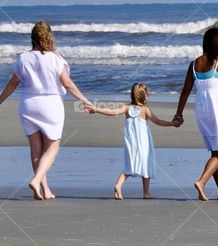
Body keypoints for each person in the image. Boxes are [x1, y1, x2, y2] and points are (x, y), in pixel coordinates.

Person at [0, 21, 95, 200]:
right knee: (51, 150)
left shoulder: (23, 58)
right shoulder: (56, 58)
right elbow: (67, 83)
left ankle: (45, 190)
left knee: (36, 151)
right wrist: (85, 101)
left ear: (32, 38)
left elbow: (13, 83)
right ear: (49, 36)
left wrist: (0, 100)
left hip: (29, 104)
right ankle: (37, 181)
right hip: (51, 106)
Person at [172, 27, 218, 201]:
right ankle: (201, 181)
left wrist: (179, 113)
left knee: (215, 152)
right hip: (217, 112)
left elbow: (185, 91)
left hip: (202, 112)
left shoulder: (194, 64)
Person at [86, 83, 180, 200]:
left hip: (131, 143)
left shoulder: (126, 108)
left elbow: (112, 112)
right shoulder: (145, 110)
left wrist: (96, 109)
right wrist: (172, 123)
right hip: (144, 143)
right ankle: (146, 193)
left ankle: (118, 185)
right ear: (144, 96)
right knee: (146, 164)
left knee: (129, 166)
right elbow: (158, 121)